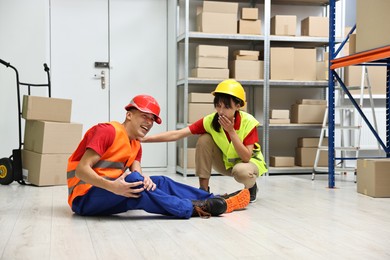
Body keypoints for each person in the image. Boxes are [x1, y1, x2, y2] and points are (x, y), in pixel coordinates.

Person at [66, 94, 250, 219]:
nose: (149, 122)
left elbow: (137, 172)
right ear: (129, 115)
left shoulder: (135, 143)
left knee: (158, 181)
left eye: (152, 119)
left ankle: (214, 199)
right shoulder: (107, 131)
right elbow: (82, 171)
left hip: (110, 192)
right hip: (85, 198)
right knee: (137, 185)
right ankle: (195, 208)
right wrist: (113, 186)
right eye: (144, 116)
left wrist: (146, 180)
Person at [142, 79, 268, 202]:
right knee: (204, 139)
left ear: (238, 106)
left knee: (242, 172)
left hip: (247, 165)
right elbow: (177, 134)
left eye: (226, 107)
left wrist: (231, 131)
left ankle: (251, 188)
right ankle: (203, 190)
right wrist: (145, 139)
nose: (221, 111)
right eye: (218, 106)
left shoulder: (248, 122)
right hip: (226, 163)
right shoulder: (210, 120)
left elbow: (246, 157)